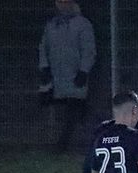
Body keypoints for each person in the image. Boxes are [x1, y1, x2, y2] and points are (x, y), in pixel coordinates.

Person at [38, 0, 96, 149]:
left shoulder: (82, 24)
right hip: (56, 76)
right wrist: (44, 67)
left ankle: (64, 144)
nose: (62, 5)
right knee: (60, 109)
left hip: (75, 76)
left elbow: (88, 50)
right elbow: (43, 47)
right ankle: (59, 141)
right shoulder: (52, 25)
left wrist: (84, 70)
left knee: (74, 108)